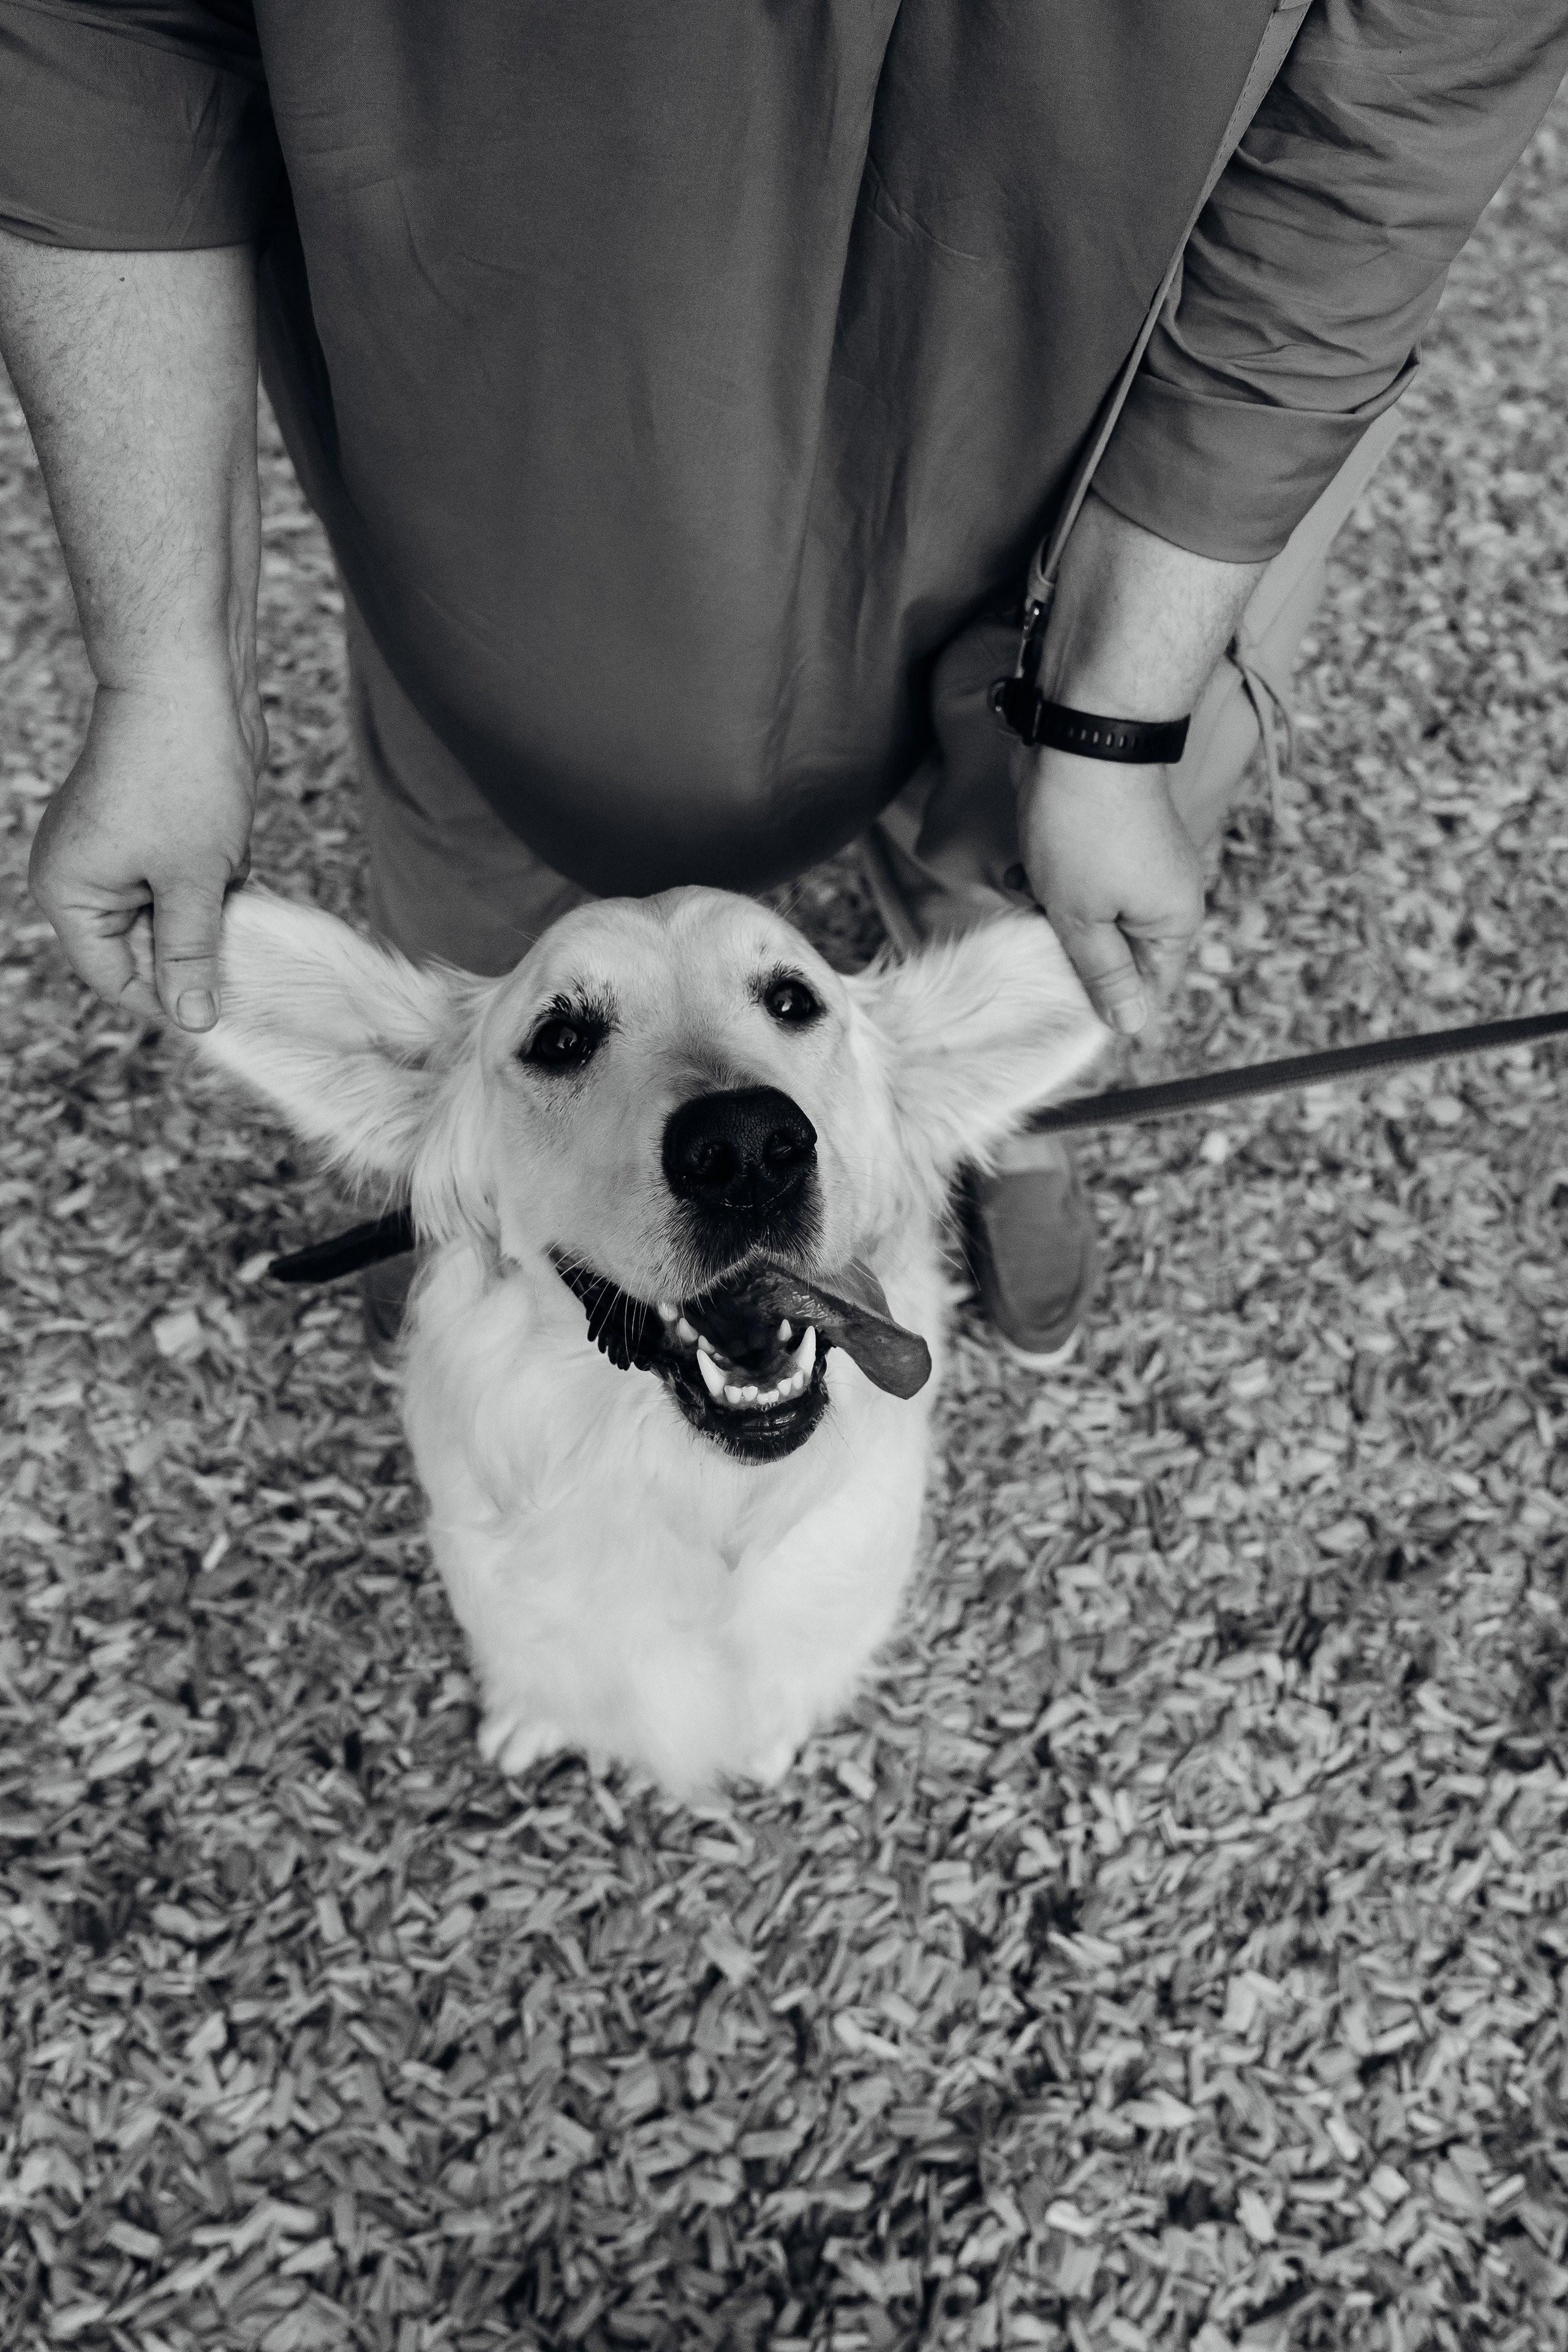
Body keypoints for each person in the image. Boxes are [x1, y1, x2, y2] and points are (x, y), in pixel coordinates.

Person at [2, 2, 1564, 1364]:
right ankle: (482, 1158)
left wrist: (1109, 718)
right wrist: (160, 673)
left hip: (1089, 378)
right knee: (485, 767)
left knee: (1044, 838)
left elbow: (1392, 111)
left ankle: (952, 1107)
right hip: (529, 357)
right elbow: (102, 34)